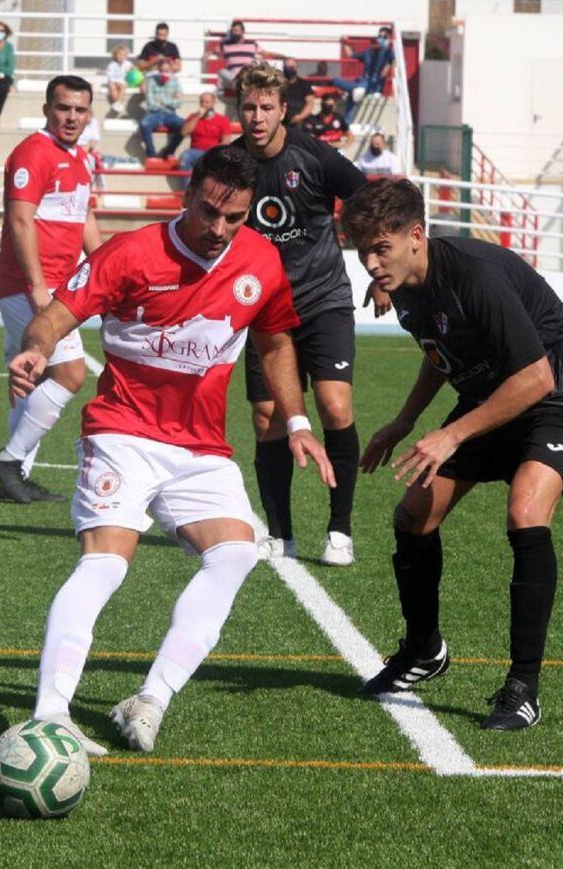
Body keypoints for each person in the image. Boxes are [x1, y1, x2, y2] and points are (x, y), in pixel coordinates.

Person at [15, 145, 335, 754]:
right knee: (106, 564)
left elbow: (274, 344)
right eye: (209, 212)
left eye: (233, 218)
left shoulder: (260, 262)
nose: (218, 229)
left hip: (200, 446)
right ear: (187, 195)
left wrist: (296, 420)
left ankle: (150, 697)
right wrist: (36, 348)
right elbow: (58, 315)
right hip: (122, 432)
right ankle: (51, 716)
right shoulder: (130, 254)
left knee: (236, 554)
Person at [344, 178, 563, 731]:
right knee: (414, 513)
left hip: (560, 391)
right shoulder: (403, 284)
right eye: (362, 250)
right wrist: (407, 420)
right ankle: (422, 651)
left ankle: (522, 688)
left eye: (380, 248)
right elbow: (440, 353)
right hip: (493, 394)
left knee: (526, 511)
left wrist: (452, 434)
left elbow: (535, 378)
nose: (370, 263)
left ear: (417, 235)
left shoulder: (474, 275)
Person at [232, 62, 386, 566]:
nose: (257, 117)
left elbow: (371, 205)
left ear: (283, 110)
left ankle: (339, 531)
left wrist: (380, 272)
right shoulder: (229, 164)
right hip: (263, 309)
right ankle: (281, 535)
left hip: (323, 298)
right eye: (249, 107)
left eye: (266, 108)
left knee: (335, 408)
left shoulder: (315, 156)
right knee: (266, 418)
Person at [0, 76, 103, 504]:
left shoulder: (80, 159)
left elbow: (85, 222)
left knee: (28, 379)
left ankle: (14, 478)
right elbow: (20, 221)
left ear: (89, 114)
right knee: (70, 374)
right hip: (29, 286)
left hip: (58, 285)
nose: (71, 117)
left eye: (79, 109)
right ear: (47, 109)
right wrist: (38, 286)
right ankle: (10, 460)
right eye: (63, 108)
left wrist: (109, 272)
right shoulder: (33, 153)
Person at [331, 26, 395, 124]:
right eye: (379, 36)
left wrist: (389, 64)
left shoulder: (391, 53)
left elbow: (397, 65)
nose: (381, 39)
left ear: (390, 38)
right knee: (336, 80)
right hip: (361, 82)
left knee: (354, 93)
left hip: (373, 86)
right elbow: (351, 55)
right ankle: (347, 123)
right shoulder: (370, 52)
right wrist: (344, 42)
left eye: (384, 37)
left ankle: (347, 123)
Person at [178, 92, 232, 186]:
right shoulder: (193, 117)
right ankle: (187, 192)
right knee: (185, 157)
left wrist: (215, 152)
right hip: (196, 152)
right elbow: (184, 132)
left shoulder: (222, 120)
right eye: (202, 102)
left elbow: (226, 141)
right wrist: (198, 116)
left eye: (207, 102)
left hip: (213, 152)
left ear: (213, 103)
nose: (204, 104)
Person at [139, 59, 184, 159]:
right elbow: (151, 103)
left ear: (171, 71)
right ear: (159, 70)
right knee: (144, 124)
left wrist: (163, 101)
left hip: (170, 114)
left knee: (185, 125)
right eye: (162, 71)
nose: (164, 74)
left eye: (167, 71)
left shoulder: (175, 82)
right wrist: (172, 101)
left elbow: (180, 103)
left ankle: (169, 152)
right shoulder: (152, 81)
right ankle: (151, 154)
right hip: (155, 113)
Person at [217, 20, 263, 93]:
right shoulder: (225, 44)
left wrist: (283, 57)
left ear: (243, 31)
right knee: (221, 72)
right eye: (233, 31)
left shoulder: (252, 44)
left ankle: (239, 85)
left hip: (247, 75)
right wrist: (208, 53)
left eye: (236, 31)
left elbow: (265, 53)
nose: (234, 33)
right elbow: (216, 52)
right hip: (232, 77)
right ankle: (237, 84)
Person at [282, 58, 315, 128]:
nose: (289, 70)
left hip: (300, 121)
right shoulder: (278, 84)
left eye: (291, 67)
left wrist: (300, 117)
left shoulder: (304, 84)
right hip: (281, 120)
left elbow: (310, 103)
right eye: (286, 67)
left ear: (296, 68)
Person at [105, 45, 133, 114]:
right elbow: (110, 76)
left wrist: (132, 70)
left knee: (124, 85)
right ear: (115, 55)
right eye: (120, 54)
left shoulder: (128, 64)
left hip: (124, 82)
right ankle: (117, 103)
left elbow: (132, 72)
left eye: (124, 55)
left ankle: (117, 103)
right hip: (114, 81)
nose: (121, 56)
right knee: (112, 86)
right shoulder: (111, 65)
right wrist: (114, 82)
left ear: (126, 56)